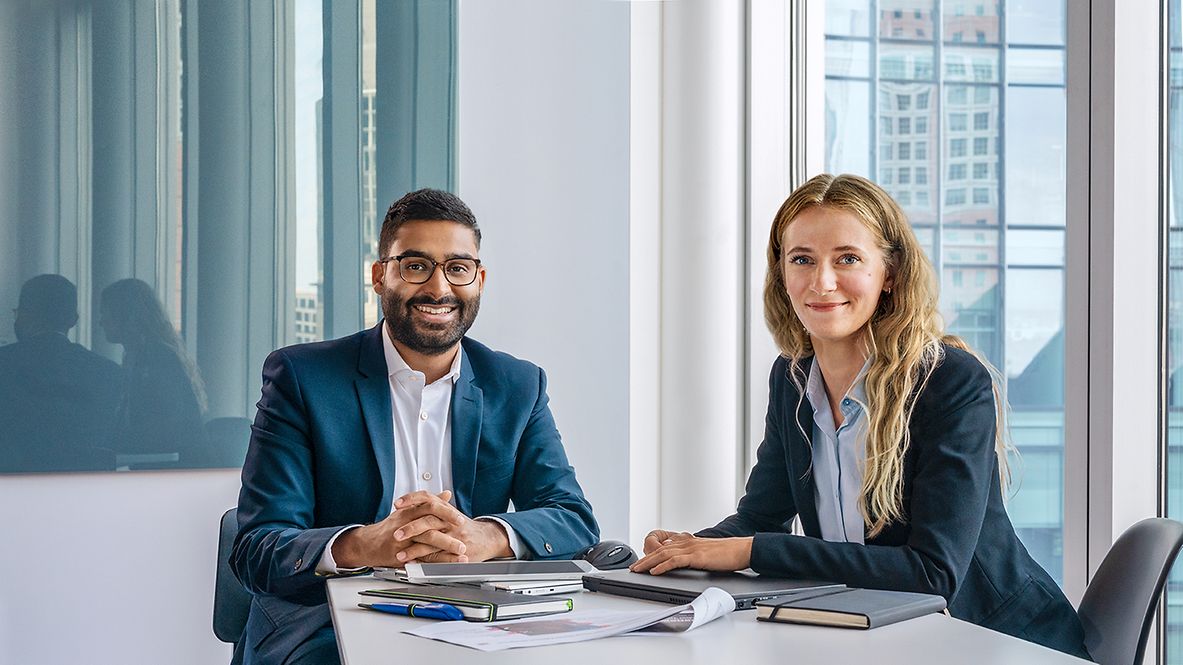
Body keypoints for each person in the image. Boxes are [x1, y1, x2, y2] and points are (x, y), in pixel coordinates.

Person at [631, 174, 1090, 660]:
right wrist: (685, 551)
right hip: (877, 636)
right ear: (782, 273)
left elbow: (932, 573)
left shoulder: (949, 382)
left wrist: (747, 551)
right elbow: (760, 517)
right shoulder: (790, 380)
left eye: (847, 259)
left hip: (999, 641)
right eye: (802, 259)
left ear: (888, 273)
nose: (821, 282)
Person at [232, 188, 599, 665]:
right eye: (415, 265)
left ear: (479, 279)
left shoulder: (517, 384)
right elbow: (257, 548)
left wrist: (484, 537)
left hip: (475, 626)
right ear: (380, 275)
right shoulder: (302, 379)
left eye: (458, 268)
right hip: (323, 627)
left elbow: (572, 517)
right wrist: (369, 544)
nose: (439, 288)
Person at [0, 274, 121, 472]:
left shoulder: (4, 364)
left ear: (23, 314)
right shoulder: (108, 372)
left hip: (11, 484)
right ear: (73, 319)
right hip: (84, 486)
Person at [99, 278, 206, 465]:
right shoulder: (146, 355)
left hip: (169, 466)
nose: (101, 322)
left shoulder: (156, 358)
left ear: (126, 315)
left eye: (106, 314)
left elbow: (163, 426)